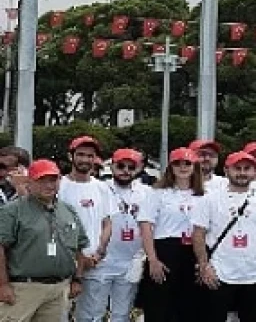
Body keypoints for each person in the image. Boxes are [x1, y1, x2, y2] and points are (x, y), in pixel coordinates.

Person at [192, 151, 256, 322]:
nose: (242, 173)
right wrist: (204, 266)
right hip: (219, 273)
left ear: (255, 171)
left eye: (247, 168)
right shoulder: (210, 199)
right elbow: (198, 235)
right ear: (226, 170)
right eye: (237, 168)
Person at [0, 159, 87, 322]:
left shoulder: (68, 210)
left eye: (53, 180)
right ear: (29, 182)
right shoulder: (13, 210)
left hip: (59, 289)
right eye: (42, 180)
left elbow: (80, 246)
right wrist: (2, 285)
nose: (48, 185)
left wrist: (77, 279)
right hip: (23, 288)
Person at [79, 148, 149, 322]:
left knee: (122, 314)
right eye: (121, 166)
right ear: (112, 167)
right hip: (101, 260)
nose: (126, 170)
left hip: (130, 262)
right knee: (92, 314)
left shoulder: (147, 192)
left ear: (138, 168)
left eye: (131, 167)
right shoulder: (99, 188)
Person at [139, 147, 205, 322]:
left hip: (193, 252)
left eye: (187, 163)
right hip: (165, 251)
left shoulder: (204, 196)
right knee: (159, 308)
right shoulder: (157, 193)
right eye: (177, 163)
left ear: (194, 166)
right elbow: (146, 226)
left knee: (189, 308)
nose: (183, 167)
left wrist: (203, 262)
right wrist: (152, 259)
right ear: (170, 167)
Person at [57, 136, 112, 311]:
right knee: (60, 314)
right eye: (80, 155)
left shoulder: (102, 188)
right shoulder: (59, 186)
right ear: (70, 156)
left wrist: (99, 253)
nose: (85, 160)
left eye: (90, 156)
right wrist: (76, 257)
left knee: (91, 315)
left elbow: (107, 223)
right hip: (65, 261)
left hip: (94, 262)